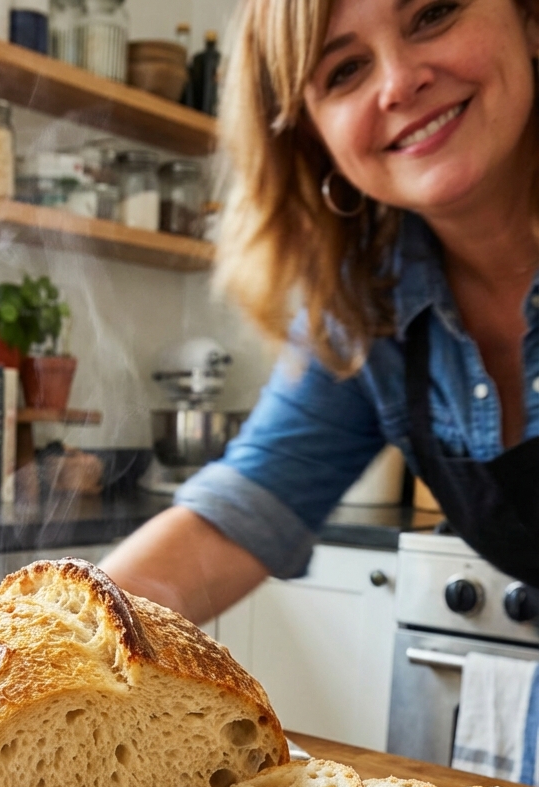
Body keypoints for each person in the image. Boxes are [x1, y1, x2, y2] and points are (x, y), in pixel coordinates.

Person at [101, 0, 539, 624]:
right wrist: (26, 648)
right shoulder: (365, 305)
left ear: (528, 19)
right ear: (314, 132)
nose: (397, 82)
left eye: (434, 14)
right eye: (344, 71)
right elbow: (240, 512)